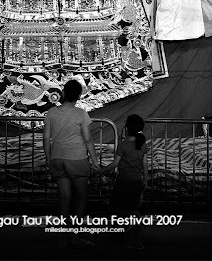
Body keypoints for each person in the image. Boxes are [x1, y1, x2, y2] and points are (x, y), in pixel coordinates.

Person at [43, 79, 100, 247]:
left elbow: (46, 138)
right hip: (77, 158)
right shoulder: (81, 113)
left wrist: (49, 159)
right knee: (81, 197)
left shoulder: (51, 113)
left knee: (65, 198)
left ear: (63, 93)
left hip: (57, 158)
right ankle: (75, 234)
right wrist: (95, 161)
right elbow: (88, 140)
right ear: (79, 96)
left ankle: (64, 237)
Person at [95, 114, 148, 250]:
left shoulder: (123, 145)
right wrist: (145, 180)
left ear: (127, 128)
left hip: (123, 182)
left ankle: (122, 232)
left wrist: (101, 170)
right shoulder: (142, 144)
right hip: (137, 182)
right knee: (135, 210)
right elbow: (145, 165)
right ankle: (136, 239)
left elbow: (115, 164)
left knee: (116, 207)